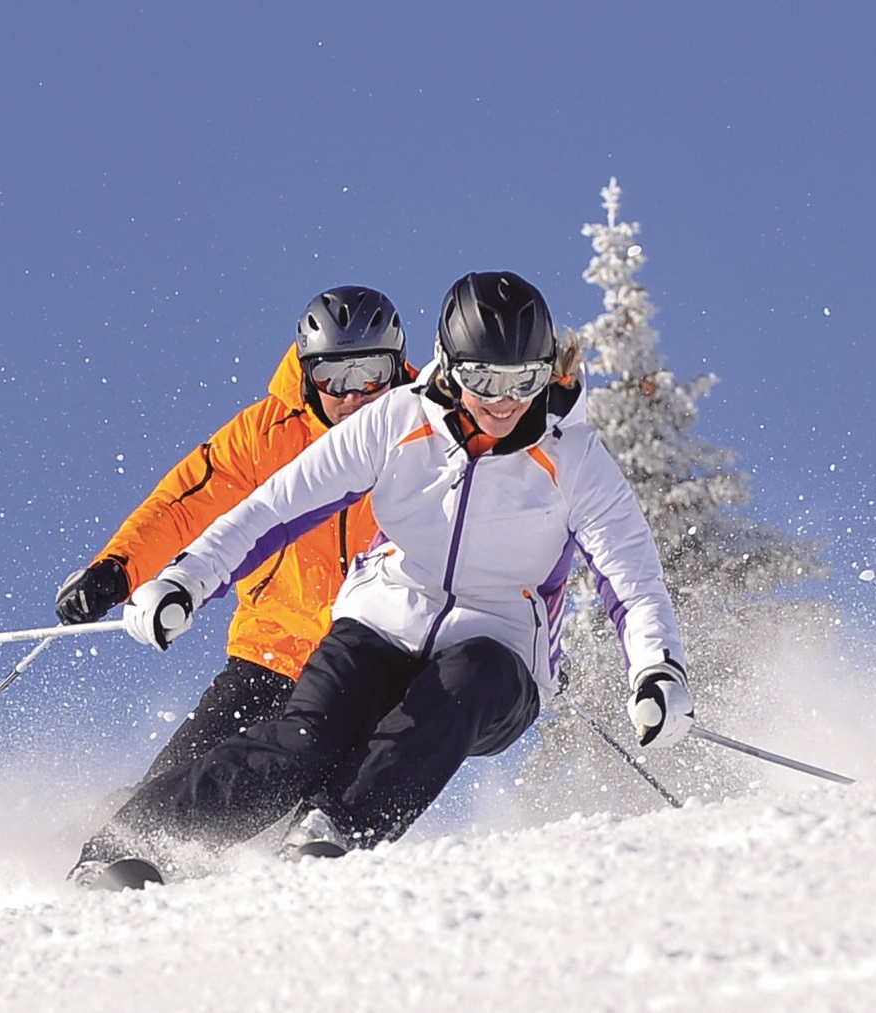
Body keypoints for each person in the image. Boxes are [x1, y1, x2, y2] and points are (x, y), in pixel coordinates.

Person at [81, 270, 695, 884]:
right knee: (302, 738)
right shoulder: (399, 422)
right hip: (380, 627)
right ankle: (123, 848)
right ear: (448, 366)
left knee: (458, 684)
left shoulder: (576, 460)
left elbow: (632, 580)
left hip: (499, 660)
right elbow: (276, 508)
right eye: (483, 379)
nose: (504, 402)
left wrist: (656, 669)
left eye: (523, 381)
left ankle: (333, 833)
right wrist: (188, 580)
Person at [54, 286, 411, 854]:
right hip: (272, 652)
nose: (355, 397)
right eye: (333, 378)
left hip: (374, 654)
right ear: (305, 373)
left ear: (398, 364)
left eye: (371, 374)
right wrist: (116, 571)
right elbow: (184, 503)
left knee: (320, 791)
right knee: (178, 784)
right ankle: (110, 852)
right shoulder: (264, 435)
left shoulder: (423, 429)